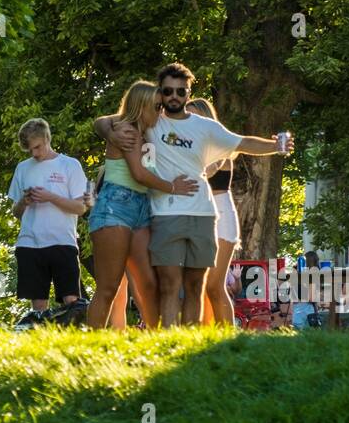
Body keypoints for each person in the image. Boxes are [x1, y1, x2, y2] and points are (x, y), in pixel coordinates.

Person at [96, 62, 293, 326]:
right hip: (164, 214)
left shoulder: (205, 127)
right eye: (168, 91)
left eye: (181, 91)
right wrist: (110, 133)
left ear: (189, 93)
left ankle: (190, 338)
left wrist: (275, 146)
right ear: (160, 93)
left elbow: (242, 142)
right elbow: (105, 121)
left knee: (195, 286)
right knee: (168, 284)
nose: (174, 97)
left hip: (203, 213)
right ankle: (168, 340)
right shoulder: (152, 120)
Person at [86, 80, 196, 329]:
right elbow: (139, 173)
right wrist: (172, 187)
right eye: (156, 107)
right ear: (141, 107)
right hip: (115, 206)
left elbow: (103, 122)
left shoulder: (150, 132)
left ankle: (156, 339)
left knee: (149, 283)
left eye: (161, 106)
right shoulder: (127, 130)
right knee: (109, 287)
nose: (160, 111)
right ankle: (91, 341)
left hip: (141, 209)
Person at [8, 118, 93, 322]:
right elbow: (16, 212)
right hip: (29, 243)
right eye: (30, 150)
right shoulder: (23, 168)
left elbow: (81, 208)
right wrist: (24, 201)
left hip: (62, 241)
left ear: (47, 138)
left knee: (71, 301)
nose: (34, 154)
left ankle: (73, 335)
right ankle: (41, 336)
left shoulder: (69, 165)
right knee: (38, 307)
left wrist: (50, 197)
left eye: (37, 147)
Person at [185, 98, 239, 326]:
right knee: (200, 284)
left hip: (222, 215)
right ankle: (208, 333)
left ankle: (228, 334)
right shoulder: (188, 147)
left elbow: (208, 170)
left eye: (194, 115)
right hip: (200, 215)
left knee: (215, 284)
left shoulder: (218, 146)